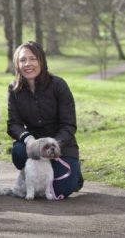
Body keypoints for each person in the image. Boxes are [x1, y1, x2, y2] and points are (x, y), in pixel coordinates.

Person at [6, 41, 83, 199]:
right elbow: (14, 124)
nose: (28, 64)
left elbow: (69, 125)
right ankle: (29, 176)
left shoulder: (59, 85)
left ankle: (75, 176)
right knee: (18, 152)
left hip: (62, 144)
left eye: (32, 59)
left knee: (61, 190)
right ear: (17, 64)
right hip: (34, 145)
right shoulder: (14, 89)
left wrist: (53, 144)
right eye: (22, 60)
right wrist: (28, 139)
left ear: (41, 61)